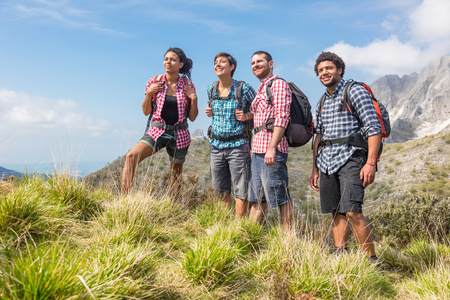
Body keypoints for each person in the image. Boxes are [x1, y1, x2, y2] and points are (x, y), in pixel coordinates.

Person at [309, 51, 382, 261]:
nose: (325, 72)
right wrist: (314, 168)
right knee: (335, 211)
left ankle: (371, 261)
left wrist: (370, 163)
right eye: (321, 70)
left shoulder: (355, 91)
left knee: (352, 210)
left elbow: (373, 127)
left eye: (329, 68)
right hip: (327, 161)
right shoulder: (322, 100)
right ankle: (340, 254)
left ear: (339, 70)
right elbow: (319, 136)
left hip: (352, 157)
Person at [122, 47, 198, 194]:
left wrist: (194, 99)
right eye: (166, 59)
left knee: (175, 175)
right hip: (158, 130)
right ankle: (124, 199)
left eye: (173, 59)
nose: (168, 62)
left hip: (180, 133)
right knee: (131, 157)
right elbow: (146, 112)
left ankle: (174, 207)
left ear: (180, 64)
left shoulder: (188, 85)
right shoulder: (155, 81)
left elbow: (193, 117)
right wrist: (149, 93)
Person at [247, 51, 294, 231]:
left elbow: (282, 117)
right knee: (258, 198)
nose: (255, 65)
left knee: (281, 197)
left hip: (271, 150)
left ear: (271, 63)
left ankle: (289, 241)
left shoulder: (278, 84)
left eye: (260, 61)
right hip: (258, 151)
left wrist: (272, 148)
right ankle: (249, 236)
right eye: (253, 63)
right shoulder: (261, 88)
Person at [205, 52, 256, 218]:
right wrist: (210, 111)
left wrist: (248, 116)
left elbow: (261, 109)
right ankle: (224, 226)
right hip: (216, 147)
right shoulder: (211, 89)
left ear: (231, 67)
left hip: (238, 146)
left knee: (240, 190)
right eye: (215, 62)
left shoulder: (244, 88)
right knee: (220, 190)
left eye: (222, 62)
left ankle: (238, 227)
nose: (217, 65)